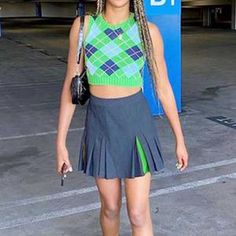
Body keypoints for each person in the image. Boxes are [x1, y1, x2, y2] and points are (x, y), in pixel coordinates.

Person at [55, 0, 189, 235]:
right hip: (100, 125)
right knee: (110, 207)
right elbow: (70, 86)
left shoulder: (148, 31)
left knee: (138, 213)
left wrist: (180, 139)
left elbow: (164, 88)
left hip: (136, 125)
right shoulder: (84, 27)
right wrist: (60, 144)